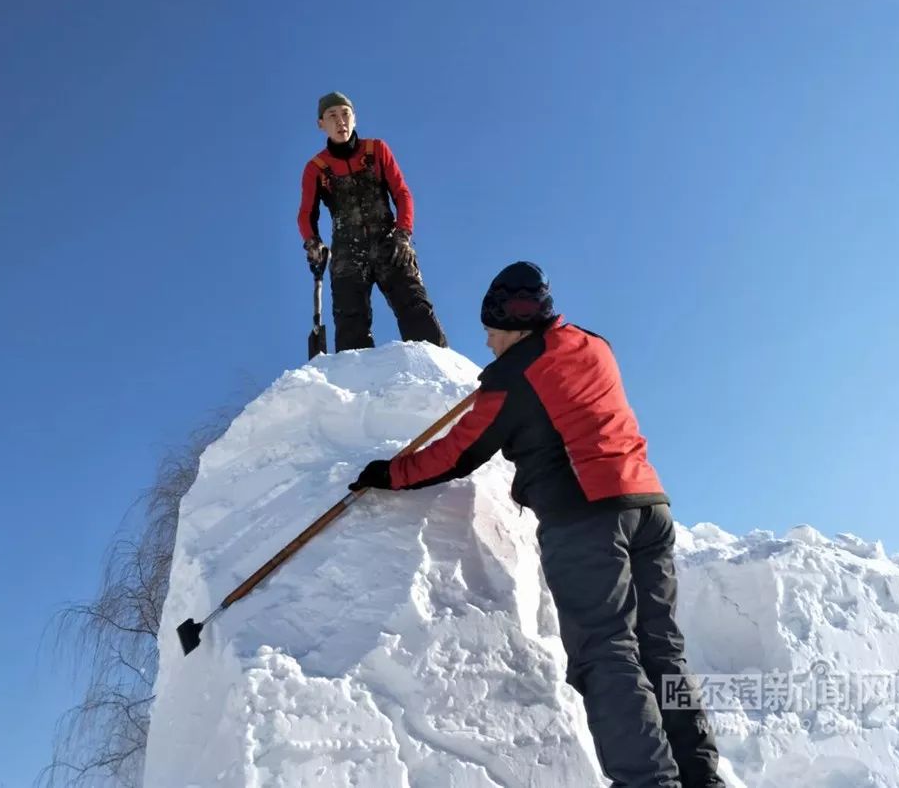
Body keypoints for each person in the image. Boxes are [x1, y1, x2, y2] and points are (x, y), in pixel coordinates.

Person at [348, 261, 726, 788]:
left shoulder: (512, 377)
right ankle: (702, 776)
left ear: (509, 326)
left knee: (607, 651)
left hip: (586, 516)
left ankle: (648, 782)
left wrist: (390, 473)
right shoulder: (593, 345)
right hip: (649, 506)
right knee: (661, 648)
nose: (489, 346)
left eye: (491, 336)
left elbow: (458, 454)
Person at [298, 91, 448, 352]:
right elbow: (306, 213)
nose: (340, 121)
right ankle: (354, 385)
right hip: (347, 251)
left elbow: (401, 193)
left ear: (354, 118)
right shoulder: (317, 168)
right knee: (350, 322)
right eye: (332, 116)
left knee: (415, 307)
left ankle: (436, 372)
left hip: (389, 243)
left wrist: (403, 233)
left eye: (345, 114)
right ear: (321, 123)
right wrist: (313, 242)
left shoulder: (376, 149)